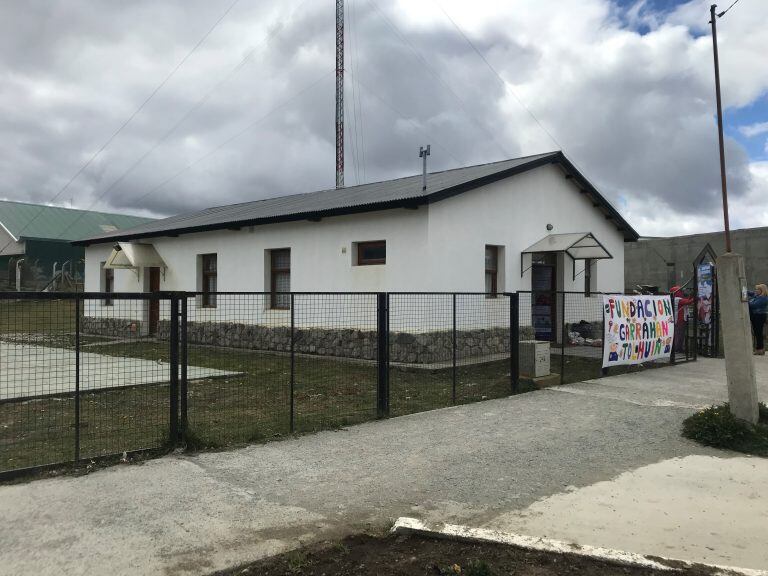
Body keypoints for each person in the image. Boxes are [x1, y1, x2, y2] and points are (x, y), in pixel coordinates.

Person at [671, 285, 694, 353]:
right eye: (680, 291)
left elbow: (687, 300)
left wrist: (691, 295)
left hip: (680, 320)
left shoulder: (675, 298)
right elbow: (688, 302)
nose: (681, 292)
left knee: (680, 335)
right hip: (679, 320)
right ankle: (677, 348)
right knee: (679, 335)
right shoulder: (677, 299)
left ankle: (679, 348)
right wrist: (695, 296)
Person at [748, 284, 768, 356]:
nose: (756, 291)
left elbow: (754, 305)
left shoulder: (764, 298)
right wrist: (743, 290)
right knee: (757, 333)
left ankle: (759, 349)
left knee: (758, 333)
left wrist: (746, 301)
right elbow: (750, 293)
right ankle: (760, 349)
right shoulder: (757, 296)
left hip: (759, 316)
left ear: (762, 290)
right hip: (756, 316)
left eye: (758, 289)